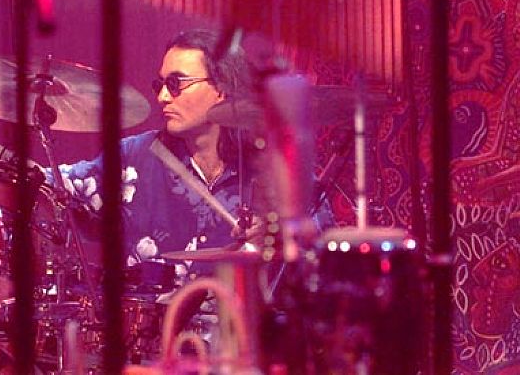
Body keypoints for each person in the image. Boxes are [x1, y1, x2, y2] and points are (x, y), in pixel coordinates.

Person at [53, 29, 333, 281]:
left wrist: (280, 237)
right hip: (155, 322)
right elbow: (51, 185)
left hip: (247, 320)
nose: (162, 97)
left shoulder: (275, 169)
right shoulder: (133, 157)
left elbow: (324, 255)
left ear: (222, 88)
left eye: (176, 83)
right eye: (160, 85)